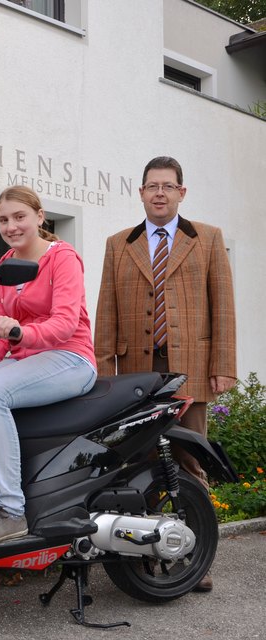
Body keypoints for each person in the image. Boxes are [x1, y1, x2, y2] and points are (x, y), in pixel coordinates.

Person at [94, 156, 237, 592]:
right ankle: (144, 553)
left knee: (190, 460)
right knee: (140, 460)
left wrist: (223, 367)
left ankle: (197, 554)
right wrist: (103, 373)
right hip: (136, 371)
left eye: (168, 186)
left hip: (190, 369)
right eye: (152, 186)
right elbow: (106, 312)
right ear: (141, 193)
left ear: (181, 192)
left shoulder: (207, 239)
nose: (159, 193)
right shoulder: (120, 243)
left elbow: (223, 306)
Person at [0, 186, 97, 545]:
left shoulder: (62, 258)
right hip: (29, 360)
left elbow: (64, 324)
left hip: (71, 357)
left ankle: (11, 510)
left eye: (19, 217)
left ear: (39, 217)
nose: (11, 226)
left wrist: (19, 332)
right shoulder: (3, 269)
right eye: (3, 220)